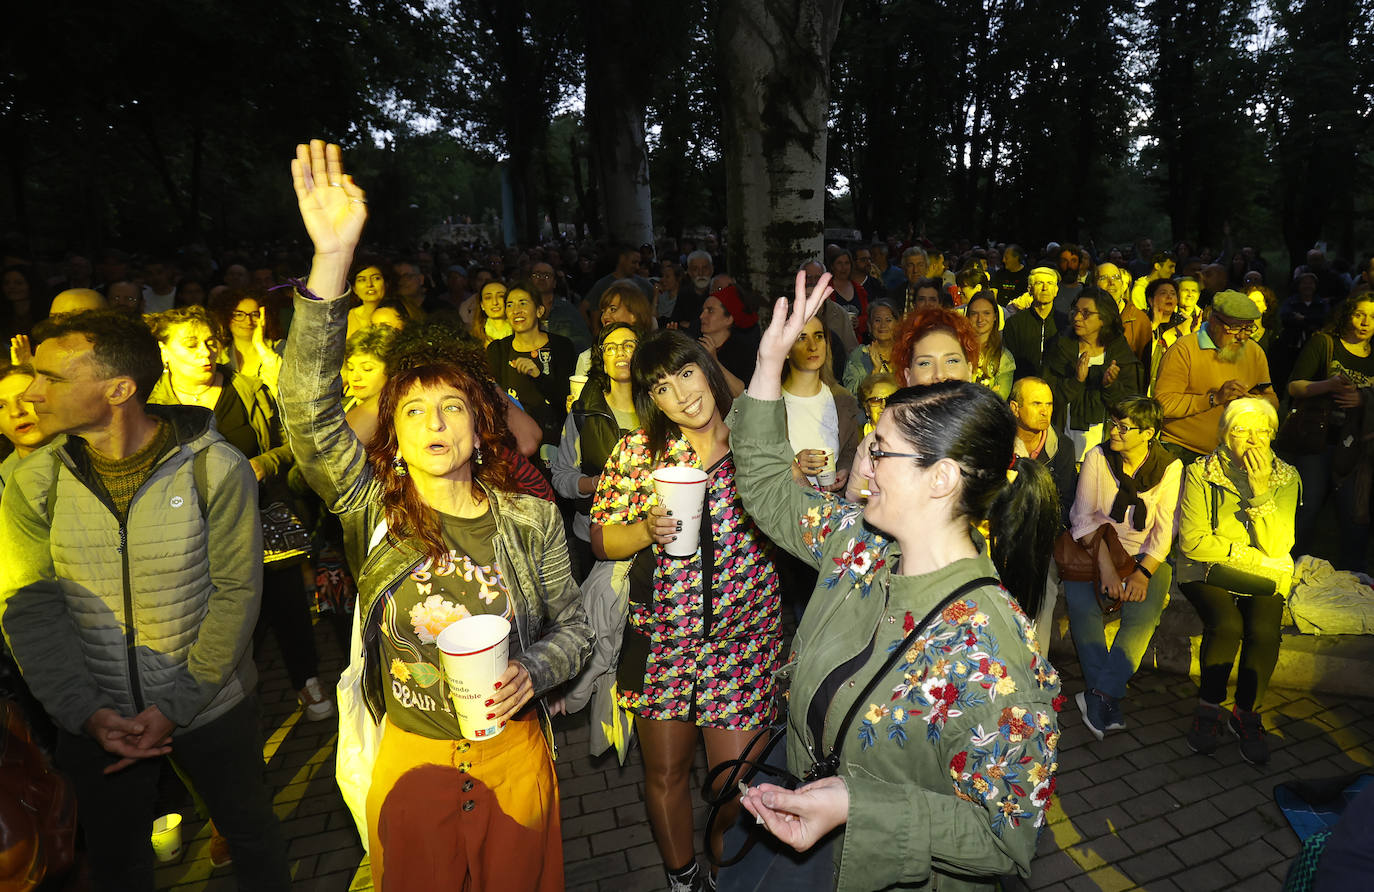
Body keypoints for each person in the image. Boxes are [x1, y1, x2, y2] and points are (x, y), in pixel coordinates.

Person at [278, 141, 591, 890]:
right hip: (413, 759)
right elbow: (305, 414)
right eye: (413, 409)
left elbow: (574, 631)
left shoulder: (530, 518)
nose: (433, 422)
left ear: (481, 426)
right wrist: (330, 263)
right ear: (394, 432)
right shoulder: (369, 508)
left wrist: (534, 670)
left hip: (514, 755)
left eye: (452, 405)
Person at [730, 271, 1062, 892]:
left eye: (881, 450)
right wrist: (769, 363)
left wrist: (860, 806)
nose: (865, 462)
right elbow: (770, 489)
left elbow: (1004, 837)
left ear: (941, 478)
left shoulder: (989, 648)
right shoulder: (862, 545)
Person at [1, 309, 290, 891]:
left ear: (119, 389)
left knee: (252, 839)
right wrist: (86, 711)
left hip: (209, 707)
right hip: (94, 718)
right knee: (117, 863)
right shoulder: (33, 481)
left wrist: (175, 705)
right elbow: (27, 606)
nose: (31, 392)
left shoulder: (214, 467)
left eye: (52, 377)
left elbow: (236, 594)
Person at [590, 329, 782, 892]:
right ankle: (683, 878)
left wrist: (806, 481)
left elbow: (796, 519)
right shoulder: (639, 452)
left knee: (736, 785)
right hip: (663, 642)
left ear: (707, 368)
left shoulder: (758, 442)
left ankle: (724, 865)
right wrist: (644, 531)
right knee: (667, 773)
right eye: (662, 386)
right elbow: (601, 538)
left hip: (744, 643)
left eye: (687, 373)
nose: (681, 394)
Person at [145, 305, 335, 722]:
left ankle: (306, 680)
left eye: (211, 342)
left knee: (285, 603)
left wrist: (266, 462)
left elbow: (293, 444)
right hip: (191, 528)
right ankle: (228, 697)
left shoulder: (247, 389)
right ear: (164, 351)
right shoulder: (152, 404)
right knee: (216, 613)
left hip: (259, 517)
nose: (205, 352)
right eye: (190, 344)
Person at [1176, 398, 1299, 765]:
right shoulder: (1202, 471)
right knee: (1227, 625)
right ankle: (1208, 708)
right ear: (1224, 435)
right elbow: (1194, 542)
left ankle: (1246, 713)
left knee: (1264, 630)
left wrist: (1261, 490)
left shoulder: (1287, 477)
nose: (1253, 439)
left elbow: (1280, 543)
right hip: (1204, 569)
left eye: (1262, 431)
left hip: (1262, 576)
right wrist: (1257, 557)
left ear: (1273, 436)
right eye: (1242, 430)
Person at [1064, 397, 1181, 739]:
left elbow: (1164, 530)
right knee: (1083, 605)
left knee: (1143, 615)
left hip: (1143, 555)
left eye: (1123, 427)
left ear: (1149, 433)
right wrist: (1108, 569)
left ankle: (1099, 694)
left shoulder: (1170, 467)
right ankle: (1108, 697)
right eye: (1113, 422)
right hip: (1093, 547)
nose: (1114, 431)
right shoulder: (1098, 457)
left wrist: (1143, 573)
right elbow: (1082, 519)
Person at [1283, 291, 1374, 571]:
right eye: (1360, 314)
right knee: (1308, 505)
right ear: (1347, 314)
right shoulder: (1325, 344)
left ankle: (1354, 576)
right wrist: (1329, 385)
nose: (1365, 322)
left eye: (1372, 317)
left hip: (1359, 444)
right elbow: (1294, 386)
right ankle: (1292, 566)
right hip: (1318, 439)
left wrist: (1364, 398)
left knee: (1354, 511)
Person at [552, 322, 641, 578]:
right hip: (595, 538)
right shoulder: (584, 412)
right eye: (610, 347)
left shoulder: (661, 407)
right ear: (601, 357)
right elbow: (560, 475)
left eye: (628, 345)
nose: (621, 352)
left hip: (651, 537)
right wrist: (596, 483)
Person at [1154, 290, 1279, 465]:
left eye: (1249, 328)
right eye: (1235, 328)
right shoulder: (1184, 349)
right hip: (1183, 449)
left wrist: (1253, 402)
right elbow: (1162, 404)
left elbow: (1272, 399)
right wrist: (1214, 399)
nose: (1242, 336)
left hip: (1234, 454)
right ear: (1213, 321)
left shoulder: (1254, 352)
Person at [1041, 287, 1145, 464]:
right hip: (1061, 447)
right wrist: (1077, 381)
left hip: (1107, 451)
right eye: (1075, 311)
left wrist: (1110, 385)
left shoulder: (1120, 354)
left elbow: (1132, 408)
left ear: (1104, 318)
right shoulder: (1060, 347)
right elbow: (1046, 397)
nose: (1077, 318)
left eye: (1086, 313)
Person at [486, 283, 577, 456]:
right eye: (510, 305)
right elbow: (494, 401)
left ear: (539, 311)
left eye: (523, 303)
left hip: (557, 440)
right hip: (516, 441)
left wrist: (538, 376)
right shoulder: (498, 350)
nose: (516, 310)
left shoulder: (561, 346)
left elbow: (566, 400)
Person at [573, 279, 655, 377]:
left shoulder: (653, 354)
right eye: (603, 311)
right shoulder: (588, 359)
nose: (605, 317)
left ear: (634, 315)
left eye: (613, 309)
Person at [210, 289, 283, 395]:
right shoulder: (219, 356)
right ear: (227, 317)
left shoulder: (281, 348)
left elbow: (284, 390)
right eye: (239, 315)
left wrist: (260, 344)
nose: (248, 321)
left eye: (254, 314)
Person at [696, 282, 758, 397]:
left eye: (710, 311)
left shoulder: (744, 352)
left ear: (729, 319)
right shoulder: (696, 345)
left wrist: (714, 362)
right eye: (703, 310)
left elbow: (743, 395)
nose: (701, 316)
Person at [1003, 266, 1066, 379]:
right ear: (1030, 289)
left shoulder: (1065, 323)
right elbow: (1007, 363)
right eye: (1039, 283)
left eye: (1050, 283)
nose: (1045, 288)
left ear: (1056, 290)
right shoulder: (1014, 323)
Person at [841, 298, 897, 393]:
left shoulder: (906, 352)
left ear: (897, 324)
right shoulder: (859, 355)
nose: (883, 325)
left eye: (888, 320)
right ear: (870, 326)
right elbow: (852, 394)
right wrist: (875, 372)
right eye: (877, 320)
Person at [966, 292, 1015, 398]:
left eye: (986, 313)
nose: (980, 319)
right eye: (974, 313)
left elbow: (998, 401)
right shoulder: (957, 351)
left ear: (995, 316)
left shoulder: (1005, 358)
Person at [346, 262, 391, 339]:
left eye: (376, 278)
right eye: (362, 280)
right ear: (354, 289)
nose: (369, 284)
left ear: (386, 284)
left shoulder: (396, 314)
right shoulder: (347, 318)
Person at [469, 279, 512, 348]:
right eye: (488, 298)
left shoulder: (523, 332)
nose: (495, 302)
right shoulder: (473, 337)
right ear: (482, 305)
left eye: (501, 296)